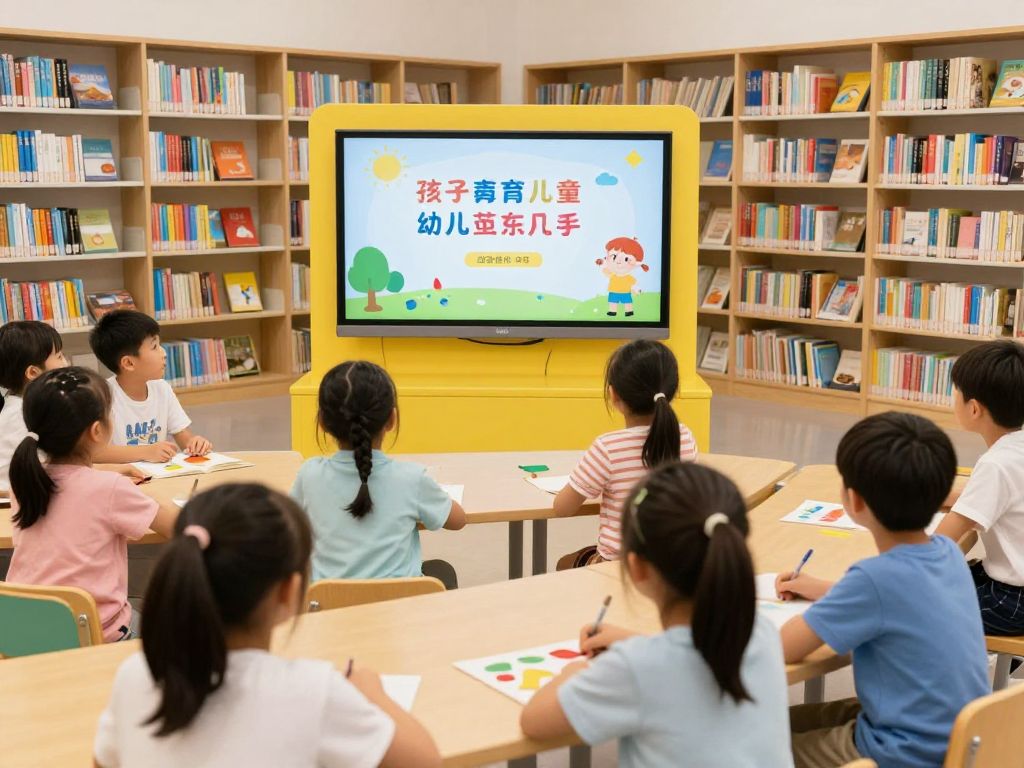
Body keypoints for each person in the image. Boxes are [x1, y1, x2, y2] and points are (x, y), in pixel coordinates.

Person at [94, 483, 441, 767]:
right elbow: (426, 761)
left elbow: (105, 761)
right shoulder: (315, 691)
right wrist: (374, 694)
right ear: (288, 591)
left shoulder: (135, 675)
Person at [521, 463, 793, 768]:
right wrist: (636, 643)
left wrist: (574, 672)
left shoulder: (634, 669)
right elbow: (687, 657)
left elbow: (534, 721)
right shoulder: (762, 632)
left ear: (636, 566)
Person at [777, 412, 990, 768]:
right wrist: (821, 589)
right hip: (957, 739)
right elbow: (893, 598)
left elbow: (786, 645)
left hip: (901, 753)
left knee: (755, 744)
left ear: (855, 501)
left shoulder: (873, 579)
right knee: (778, 720)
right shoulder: (948, 552)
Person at [7, 367, 178, 641]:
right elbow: (179, 527)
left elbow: (70, 486)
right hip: (94, 634)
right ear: (97, 430)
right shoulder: (110, 490)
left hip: (24, 635)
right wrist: (161, 500)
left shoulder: (24, 481)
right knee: (173, 631)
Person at [290, 361, 465, 588]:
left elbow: (287, 530)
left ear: (322, 421)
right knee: (442, 571)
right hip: (403, 607)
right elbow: (458, 520)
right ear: (391, 419)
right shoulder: (412, 479)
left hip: (329, 607)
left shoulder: (309, 475)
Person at [554, 339, 697, 568]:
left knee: (564, 563)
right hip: (670, 565)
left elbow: (562, 508)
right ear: (672, 391)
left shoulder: (607, 448)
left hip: (619, 566)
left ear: (613, 395)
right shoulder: (685, 437)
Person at [936, 339, 1024, 635]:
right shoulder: (1016, 448)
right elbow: (979, 499)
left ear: (974, 409)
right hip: (1013, 588)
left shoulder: (996, 464)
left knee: (917, 603)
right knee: (952, 577)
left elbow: (943, 540)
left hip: (1012, 602)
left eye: (956, 392)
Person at [88, 309, 212, 463]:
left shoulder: (162, 388)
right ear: (129, 363)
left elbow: (184, 437)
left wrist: (195, 443)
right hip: (122, 475)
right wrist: (146, 451)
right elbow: (95, 453)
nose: (164, 353)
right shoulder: (103, 396)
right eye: (154, 347)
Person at [0, 320, 68, 495]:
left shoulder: (29, 406)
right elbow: (50, 473)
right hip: (16, 502)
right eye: (59, 356)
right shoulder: (18, 415)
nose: (66, 363)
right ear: (33, 373)